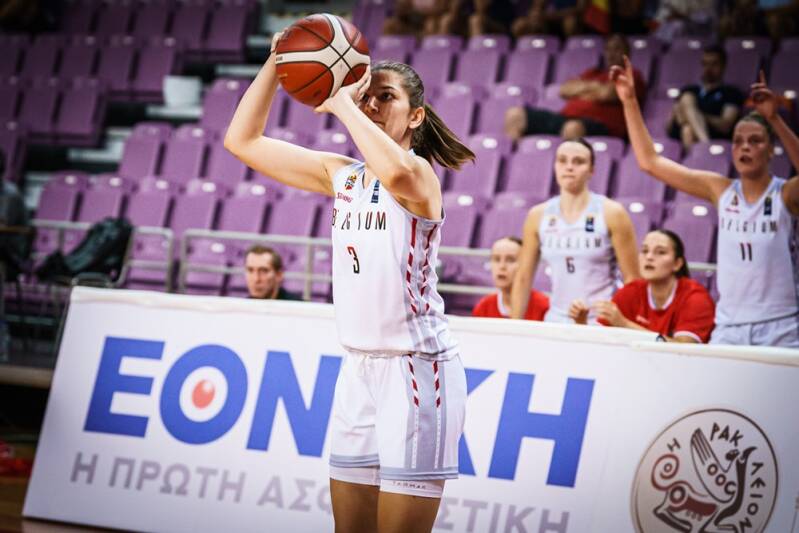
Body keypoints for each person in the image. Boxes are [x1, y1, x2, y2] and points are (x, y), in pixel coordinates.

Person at [224, 32, 474, 533]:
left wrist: (343, 102)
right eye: (368, 95)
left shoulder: (419, 176)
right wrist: (277, 61)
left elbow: (395, 173)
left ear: (416, 116)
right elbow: (241, 141)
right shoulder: (342, 175)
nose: (373, 104)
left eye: (387, 97)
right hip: (357, 369)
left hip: (415, 371)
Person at [613, 59, 799, 347]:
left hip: (780, 327)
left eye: (755, 141)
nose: (745, 147)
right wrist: (629, 101)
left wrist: (775, 119)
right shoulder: (720, 189)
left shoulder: (785, 194)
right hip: (729, 327)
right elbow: (650, 162)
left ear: (771, 150)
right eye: (738, 141)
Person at [510, 138, 640, 323]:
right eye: (562, 160)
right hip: (556, 319)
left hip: (601, 321)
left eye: (578, 161)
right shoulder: (537, 215)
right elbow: (523, 277)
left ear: (592, 170)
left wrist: (627, 326)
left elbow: (633, 280)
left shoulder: (612, 213)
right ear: (555, 166)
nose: (569, 167)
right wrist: (514, 324)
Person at [569, 229, 716, 342]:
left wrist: (624, 325)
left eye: (660, 252)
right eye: (645, 251)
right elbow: (600, 341)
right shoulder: (631, 291)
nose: (649, 257)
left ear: (677, 263)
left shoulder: (695, 298)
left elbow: (685, 350)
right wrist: (581, 322)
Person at [504, 34, 646, 141]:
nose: (611, 53)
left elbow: (607, 94)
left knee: (572, 128)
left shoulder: (632, 75)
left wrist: (582, 90)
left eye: (617, 49)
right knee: (514, 115)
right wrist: (595, 87)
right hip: (566, 117)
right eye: (608, 49)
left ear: (627, 52)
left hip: (604, 126)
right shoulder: (593, 73)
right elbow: (564, 90)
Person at [667, 45, 745, 149]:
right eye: (705, 64)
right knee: (687, 101)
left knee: (688, 130)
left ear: (723, 66)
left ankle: (704, 148)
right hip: (682, 137)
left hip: (716, 138)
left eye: (714, 64)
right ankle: (706, 147)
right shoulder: (689, 89)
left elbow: (726, 125)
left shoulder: (731, 93)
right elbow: (668, 128)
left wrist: (695, 114)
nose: (708, 68)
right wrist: (677, 112)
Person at [472, 236, 550, 320]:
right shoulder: (483, 307)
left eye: (511, 260)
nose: (502, 266)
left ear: (526, 265)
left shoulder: (544, 307)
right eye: (496, 259)